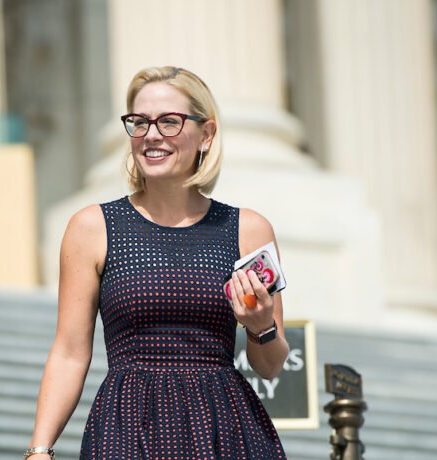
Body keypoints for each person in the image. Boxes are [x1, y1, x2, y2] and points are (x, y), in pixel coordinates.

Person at [25, 66, 289, 460]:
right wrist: (39, 449)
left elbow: (270, 366)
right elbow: (69, 351)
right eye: (140, 122)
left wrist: (260, 326)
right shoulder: (91, 227)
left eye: (169, 122)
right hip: (126, 428)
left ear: (206, 134)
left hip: (222, 429)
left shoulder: (248, 229)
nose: (151, 135)